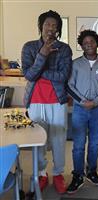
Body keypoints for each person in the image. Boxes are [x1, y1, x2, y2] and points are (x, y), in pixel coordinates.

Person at [21, 10, 72, 194]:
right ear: (41, 26)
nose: (50, 28)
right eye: (47, 24)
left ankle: (58, 173)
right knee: (38, 140)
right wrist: (42, 54)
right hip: (35, 101)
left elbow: (63, 76)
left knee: (58, 139)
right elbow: (28, 75)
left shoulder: (64, 49)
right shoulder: (29, 47)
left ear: (58, 29)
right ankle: (42, 174)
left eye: (54, 25)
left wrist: (40, 71)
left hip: (57, 100)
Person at [66, 30, 98, 194]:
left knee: (94, 144)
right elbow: (69, 85)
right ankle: (77, 175)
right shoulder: (76, 64)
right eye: (85, 43)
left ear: (96, 43)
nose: (89, 45)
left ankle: (91, 170)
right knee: (78, 145)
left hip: (97, 110)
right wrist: (82, 101)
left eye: (91, 41)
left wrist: (96, 101)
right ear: (81, 46)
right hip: (80, 109)